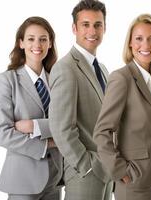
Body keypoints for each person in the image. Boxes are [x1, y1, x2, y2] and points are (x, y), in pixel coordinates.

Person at [93, 13, 151, 200]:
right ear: (130, 43)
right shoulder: (122, 78)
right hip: (133, 180)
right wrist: (120, 171)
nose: (145, 45)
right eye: (139, 38)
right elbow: (102, 132)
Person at [0, 16, 62, 200]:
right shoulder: (7, 80)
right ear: (21, 43)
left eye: (43, 39)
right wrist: (50, 142)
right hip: (22, 179)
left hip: (55, 178)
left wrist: (33, 126)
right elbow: (3, 134)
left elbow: (69, 122)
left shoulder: (58, 80)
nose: (37, 44)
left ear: (50, 43)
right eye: (31, 39)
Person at [48, 0, 112, 199]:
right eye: (85, 25)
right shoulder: (65, 68)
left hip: (107, 170)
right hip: (85, 174)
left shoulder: (102, 69)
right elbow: (61, 127)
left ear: (104, 28)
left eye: (97, 25)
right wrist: (87, 166)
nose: (92, 31)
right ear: (74, 28)